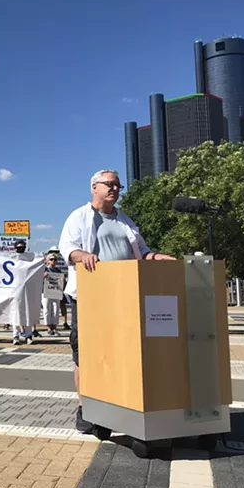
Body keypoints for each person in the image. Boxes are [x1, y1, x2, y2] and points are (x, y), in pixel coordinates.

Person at [59, 169, 175, 433]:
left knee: (120, 353)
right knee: (86, 355)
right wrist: (83, 255)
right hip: (91, 297)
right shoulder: (79, 217)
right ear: (94, 187)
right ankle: (85, 406)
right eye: (109, 185)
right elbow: (67, 248)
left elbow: (141, 251)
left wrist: (155, 257)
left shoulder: (124, 219)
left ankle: (120, 403)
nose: (114, 189)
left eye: (118, 186)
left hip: (124, 296)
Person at [10, 239, 34, 345]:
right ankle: (15, 336)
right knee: (15, 313)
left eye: (23, 247)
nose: (21, 249)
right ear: (15, 248)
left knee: (27, 312)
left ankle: (28, 335)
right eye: (19, 247)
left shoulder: (29, 259)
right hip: (14, 290)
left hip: (27, 289)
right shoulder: (11, 259)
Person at [42, 254, 63, 336]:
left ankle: (54, 327)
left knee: (55, 309)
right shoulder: (44, 269)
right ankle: (49, 327)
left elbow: (61, 281)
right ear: (48, 261)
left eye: (55, 259)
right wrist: (43, 276)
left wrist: (62, 279)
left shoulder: (58, 271)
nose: (53, 261)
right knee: (47, 309)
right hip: (46, 292)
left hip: (55, 292)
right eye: (51, 259)